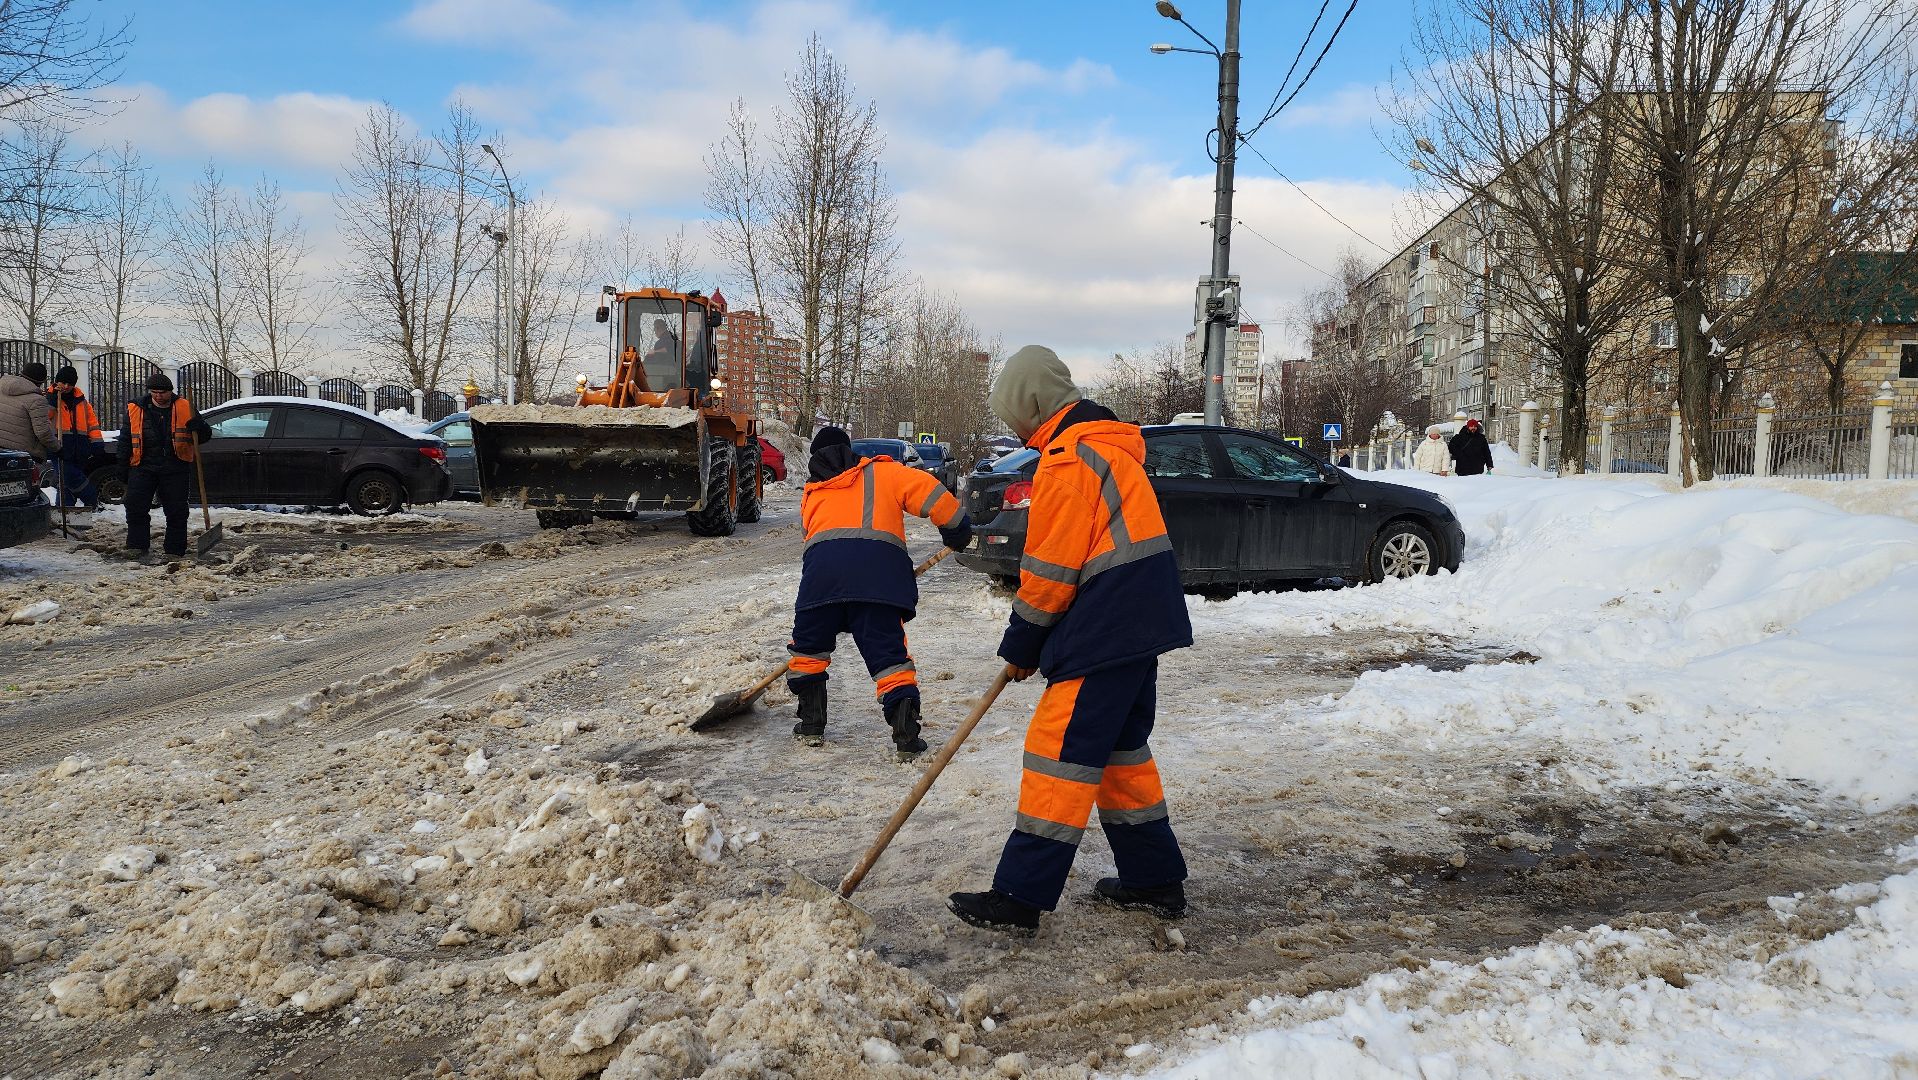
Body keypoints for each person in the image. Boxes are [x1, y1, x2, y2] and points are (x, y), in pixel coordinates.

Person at [948, 345, 1193, 936]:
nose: (1011, 427)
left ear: (1032, 406)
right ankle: (1153, 878)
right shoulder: (1106, 447)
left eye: (1012, 414)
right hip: (1138, 622)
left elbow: (1050, 575)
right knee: (1117, 756)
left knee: (1057, 752)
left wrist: (1022, 646)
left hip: (1106, 626)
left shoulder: (1067, 462)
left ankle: (1019, 894)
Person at [789, 426, 972, 760]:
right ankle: (906, 738)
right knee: (888, 657)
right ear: (850, 450)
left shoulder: (812, 492)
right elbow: (930, 491)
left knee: (809, 652)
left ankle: (811, 724)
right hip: (877, 583)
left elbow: (812, 538)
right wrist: (957, 528)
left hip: (821, 583)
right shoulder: (884, 472)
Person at [119, 372, 211, 563]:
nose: (158, 396)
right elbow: (125, 438)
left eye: (162, 393)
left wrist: (199, 427)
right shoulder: (135, 408)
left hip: (175, 465)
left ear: (170, 392)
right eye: (154, 392)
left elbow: (204, 435)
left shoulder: (186, 406)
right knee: (135, 506)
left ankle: (174, 550)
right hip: (143, 465)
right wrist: (122, 464)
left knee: (176, 509)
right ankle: (137, 545)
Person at [45, 366, 103, 510]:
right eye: (63, 383)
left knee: (65, 483)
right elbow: (43, 419)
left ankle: (64, 510)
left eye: (69, 384)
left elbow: (92, 423)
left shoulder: (82, 401)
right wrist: (51, 403)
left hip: (80, 447)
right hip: (59, 447)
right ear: (57, 382)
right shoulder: (47, 398)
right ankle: (92, 500)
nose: (66, 387)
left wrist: (97, 442)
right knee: (71, 477)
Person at [0, 360, 57, 461]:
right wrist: (57, 447)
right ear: (40, 382)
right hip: (23, 455)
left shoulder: (2, 388)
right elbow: (43, 433)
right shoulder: (37, 400)